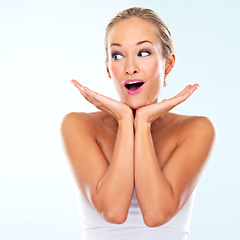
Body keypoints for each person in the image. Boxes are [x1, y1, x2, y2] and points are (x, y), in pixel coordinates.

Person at [61, 7, 215, 240]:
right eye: (117, 55)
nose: (130, 67)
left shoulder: (195, 129)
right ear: (108, 69)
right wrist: (125, 120)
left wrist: (142, 122)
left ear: (169, 63)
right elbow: (113, 211)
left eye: (143, 53)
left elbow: (155, 214)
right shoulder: (79, 125)